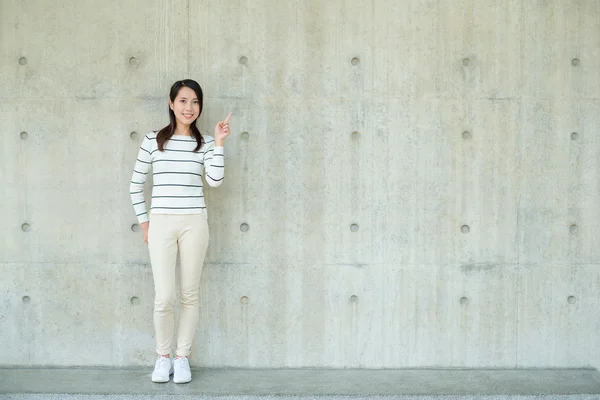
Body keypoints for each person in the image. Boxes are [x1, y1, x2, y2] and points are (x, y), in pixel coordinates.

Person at [129, 79, 231, 384]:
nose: (190, 107)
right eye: (184, 101)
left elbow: (214, 180)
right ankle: (162, 357)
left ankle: (181, 358)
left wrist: (220, 141)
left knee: (189, 294)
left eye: (195, 102)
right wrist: (146, 224)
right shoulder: (152, 141)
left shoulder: (205, 144)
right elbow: (135, 186)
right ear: (172, 104)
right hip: (160, 222)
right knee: (164, 297)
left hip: (194, 223)